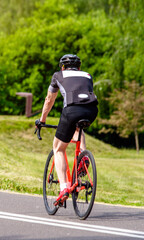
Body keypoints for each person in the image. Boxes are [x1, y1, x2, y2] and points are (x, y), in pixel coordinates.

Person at [36, 54, 98, 205]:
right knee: (78, 128)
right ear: (79, 67)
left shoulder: (58, 75)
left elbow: (49, 99)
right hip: (92, 110)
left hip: (72, 110)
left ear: (62, 67)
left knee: (58, 148)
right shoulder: (87, 75)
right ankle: (83, 157)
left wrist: (42, 121)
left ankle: (64, 188)